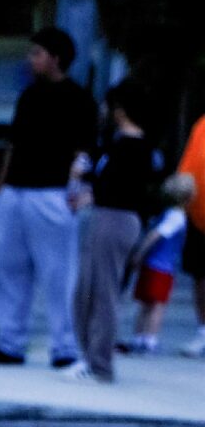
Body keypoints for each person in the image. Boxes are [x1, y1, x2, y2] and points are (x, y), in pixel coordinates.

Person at [0, 28, 95, 369]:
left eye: (38, 54)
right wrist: (1, 184)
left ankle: (65, 346)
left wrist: (78, 189)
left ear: (56, 58)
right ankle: (9, 342)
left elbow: (84, 149)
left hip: (51, 192)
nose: (31, 60)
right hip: (15, 190)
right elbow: (13, 142)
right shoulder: (29, 95)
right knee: (8, 267)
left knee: (59, 273)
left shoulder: (79, 99)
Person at [65, 84, 162, 385]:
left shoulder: (134, 148)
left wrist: (89, 184)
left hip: (117, 220)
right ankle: (89, 356)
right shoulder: (118, 145)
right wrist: (91, 192)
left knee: (103, 292)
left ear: (121, 110)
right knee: (87, 291)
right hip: (107, 216)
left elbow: (125, 188)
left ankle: (100, 364)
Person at [124, 172, 193, 355]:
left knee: (145, 304)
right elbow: (157, 235)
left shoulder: (164, 214)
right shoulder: (177, 217)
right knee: (157, 305)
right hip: (162, 268)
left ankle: (138, 337)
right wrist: (140, 252)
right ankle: (150, 340)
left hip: (151, 265)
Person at [176, 112, 205, 358]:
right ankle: (203, 331)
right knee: (201, 275)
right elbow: (187, 168)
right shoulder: (202, 126)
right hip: (198, 213)